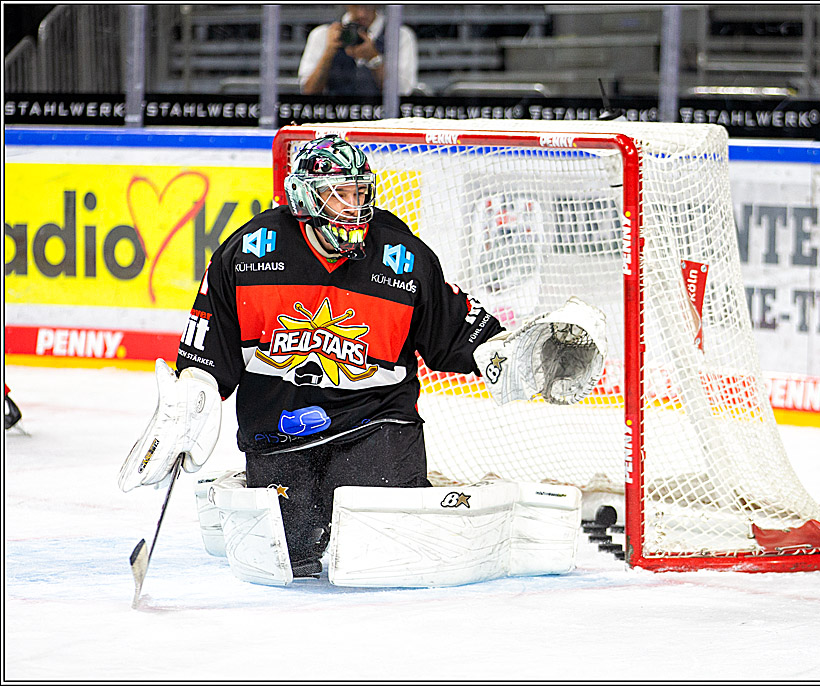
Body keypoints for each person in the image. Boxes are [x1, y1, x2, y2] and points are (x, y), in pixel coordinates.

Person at [118, 136, 606, 585]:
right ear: (304, 198)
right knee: (289, 561)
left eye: (360, 193)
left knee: (381, 557)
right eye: (339, 195)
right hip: (278, 434)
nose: (355, 207)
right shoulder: (247, 255)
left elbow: (455, 330)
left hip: (376, 425)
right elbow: (208, 352)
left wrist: (517, 355)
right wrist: (192, 399)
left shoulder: (401, 256)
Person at [298, 5, 418, 97]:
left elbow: (403, 93)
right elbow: (308, 92)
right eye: (355, 5)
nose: (361, 14)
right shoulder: (322, 35)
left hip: (381, 118)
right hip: (335, 116)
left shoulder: (399, 36)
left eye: (367, 6)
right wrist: (328, 53)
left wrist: (374, 59)